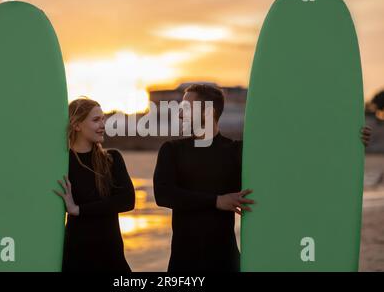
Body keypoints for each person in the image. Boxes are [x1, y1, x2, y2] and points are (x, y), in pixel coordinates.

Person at [153, 83, 372, 272]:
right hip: (184, 261)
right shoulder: (172, 150)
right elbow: (163, 195)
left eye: (186, 107)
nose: (180, 113)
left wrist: (350, 140)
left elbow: (294, 160)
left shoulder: (237, 152)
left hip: (224, 259)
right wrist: (217, 201)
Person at [0, 96, 135, 272]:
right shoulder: (59, 163)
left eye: (103, 119)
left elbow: (127, 201)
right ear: (77, 125)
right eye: (96, 120)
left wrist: (78, 209)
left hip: (112, 257)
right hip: (77, 258)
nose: (103, 125)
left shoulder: (112, 159)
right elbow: (10, 174)